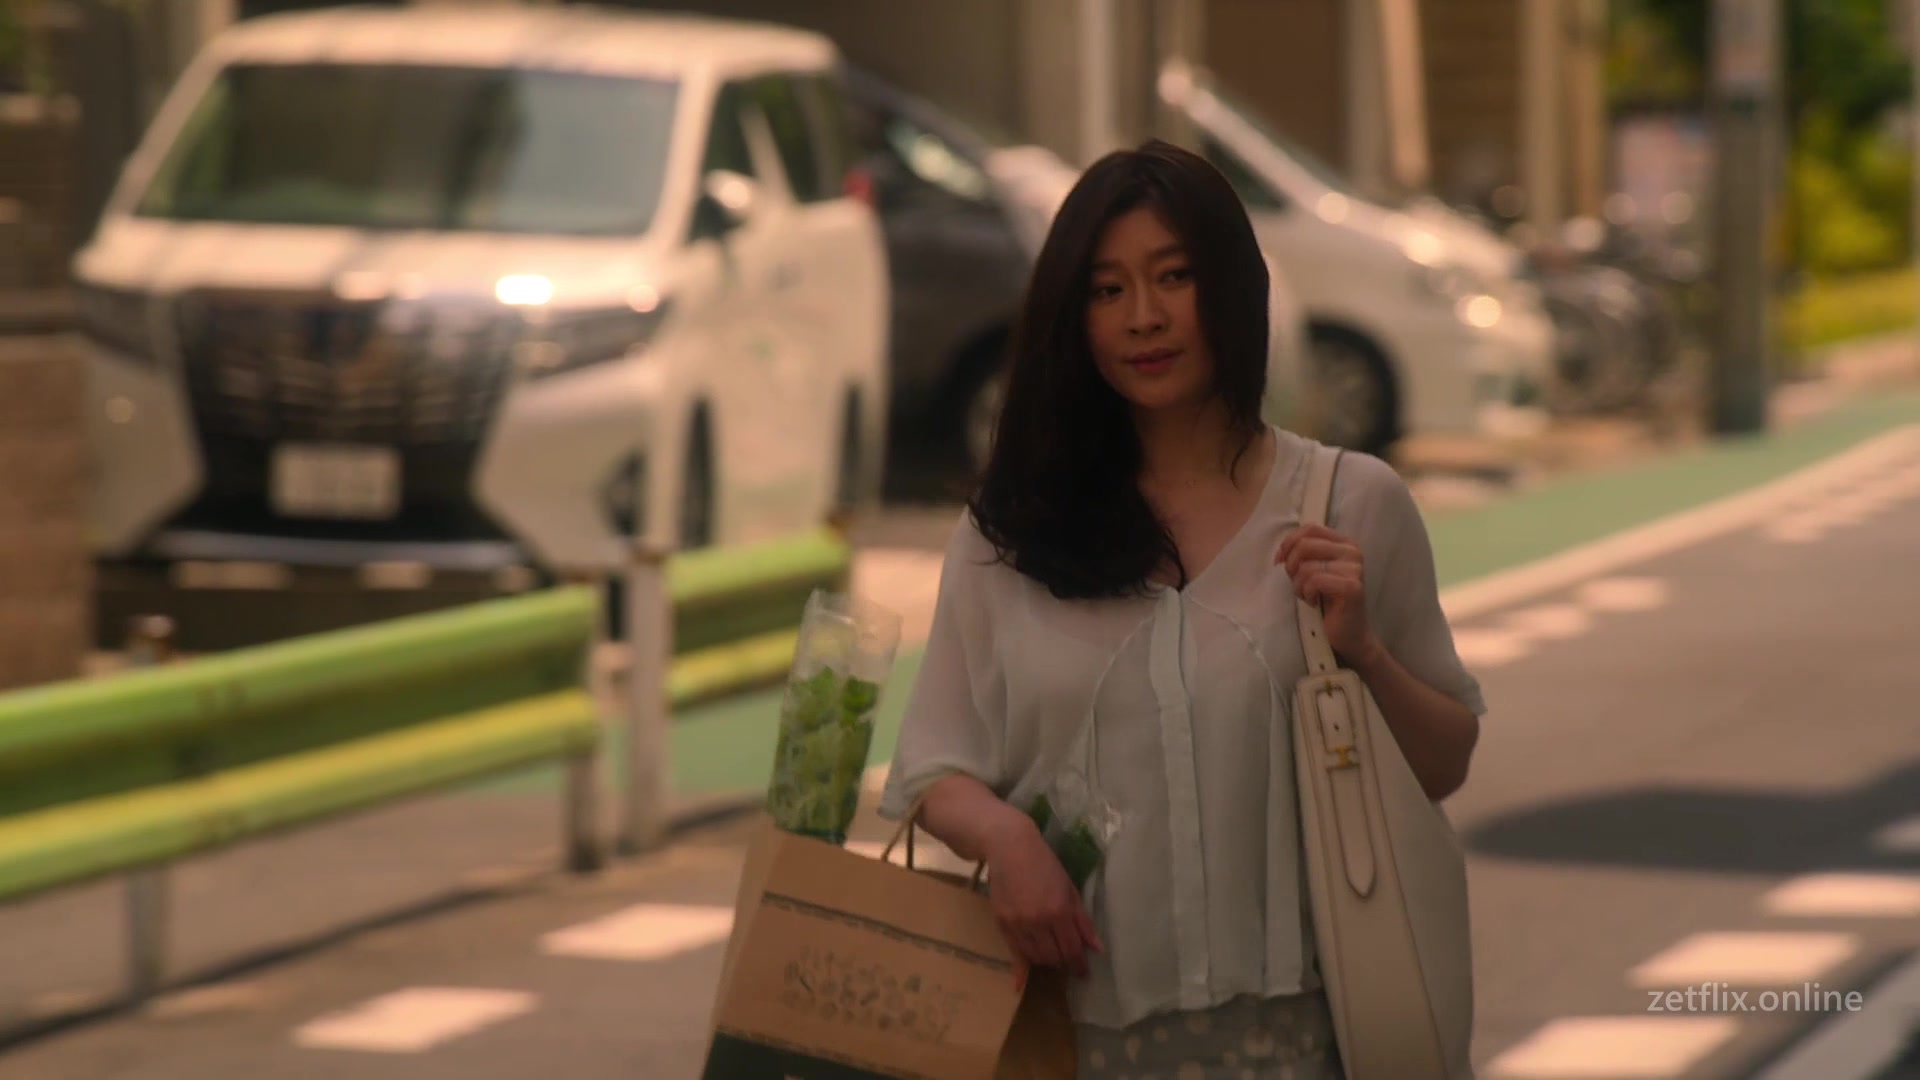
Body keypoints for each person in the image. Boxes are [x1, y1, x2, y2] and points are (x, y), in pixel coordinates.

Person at [876, 139, 1487, 1079]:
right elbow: (934, 763)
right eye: (1107, 289)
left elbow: (1445, 763)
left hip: (1308, 1047)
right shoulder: (1011, 531)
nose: (1144, 317)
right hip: (1075, 1042)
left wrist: (1363, 650)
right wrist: (1007, 839)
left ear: (1232, 289)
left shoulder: (1348, 505)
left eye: (1174, 277)